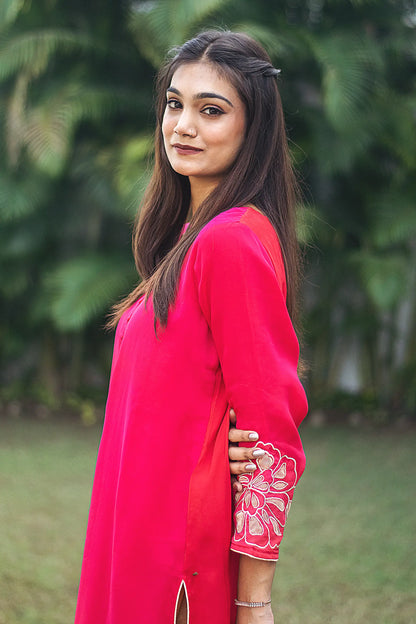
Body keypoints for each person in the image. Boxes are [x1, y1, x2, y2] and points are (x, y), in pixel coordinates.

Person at [74, 30, 307, 624]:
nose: (183, 125)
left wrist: (254, 603)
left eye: (211, 110)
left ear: (251, 128)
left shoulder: (229, 241)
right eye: (175, 104)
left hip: (177, 562)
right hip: (131, 529)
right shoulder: (189, 238)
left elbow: (271, 442)